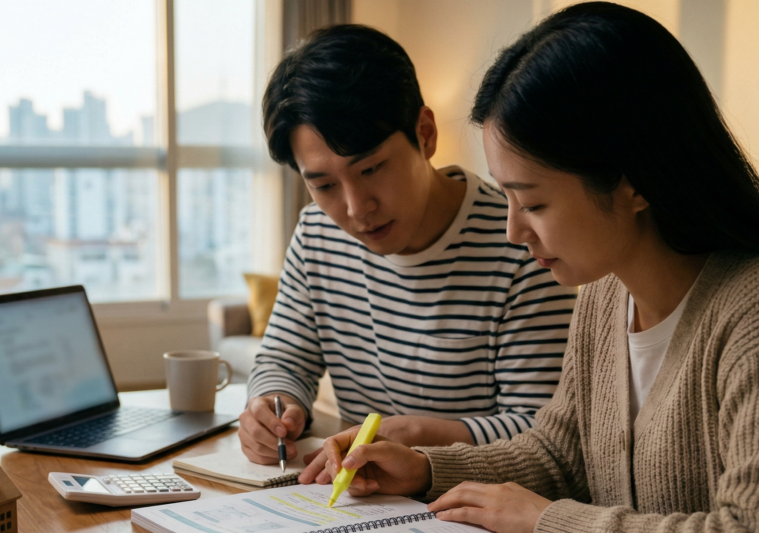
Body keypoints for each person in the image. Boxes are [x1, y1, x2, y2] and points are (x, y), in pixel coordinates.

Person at [300, 2, 759, 533]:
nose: (514, 231)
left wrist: (549, 522)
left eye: (532, 202)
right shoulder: (604, 294)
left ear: (633, 183)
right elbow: (560, 453)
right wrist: (425, 470)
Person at [240, 25, 577, 465]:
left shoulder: (522, 243)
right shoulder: (317, 234)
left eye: (372, 169)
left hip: (478, 509)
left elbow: (545, 429)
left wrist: (420, 435)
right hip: (356, 507)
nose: (356, 209)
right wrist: (273, 406)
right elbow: (286, 356)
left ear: (425, 133)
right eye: (323, 185)